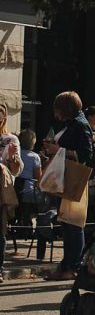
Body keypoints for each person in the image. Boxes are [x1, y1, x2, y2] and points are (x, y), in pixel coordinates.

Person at [42, 91, 95, 280]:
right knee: (67, 224)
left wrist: (59, 150)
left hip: (74, 179)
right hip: (67, 177)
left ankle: (71, 266)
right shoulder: (74, 124)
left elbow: (87, 155)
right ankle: (67, 265)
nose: (56, 114)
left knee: (72, 224)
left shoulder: (80, 125)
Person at [0, 102, 22, 282]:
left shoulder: (10, 140)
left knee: (0, 230)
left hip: (1, 192)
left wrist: (14, 157)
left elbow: (16, 170)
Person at [15, 128, 42, 214]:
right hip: (28, 190)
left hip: (15, 188)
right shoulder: (35, 157)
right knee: (27, 215)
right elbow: (38, 177)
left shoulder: (15, 154)